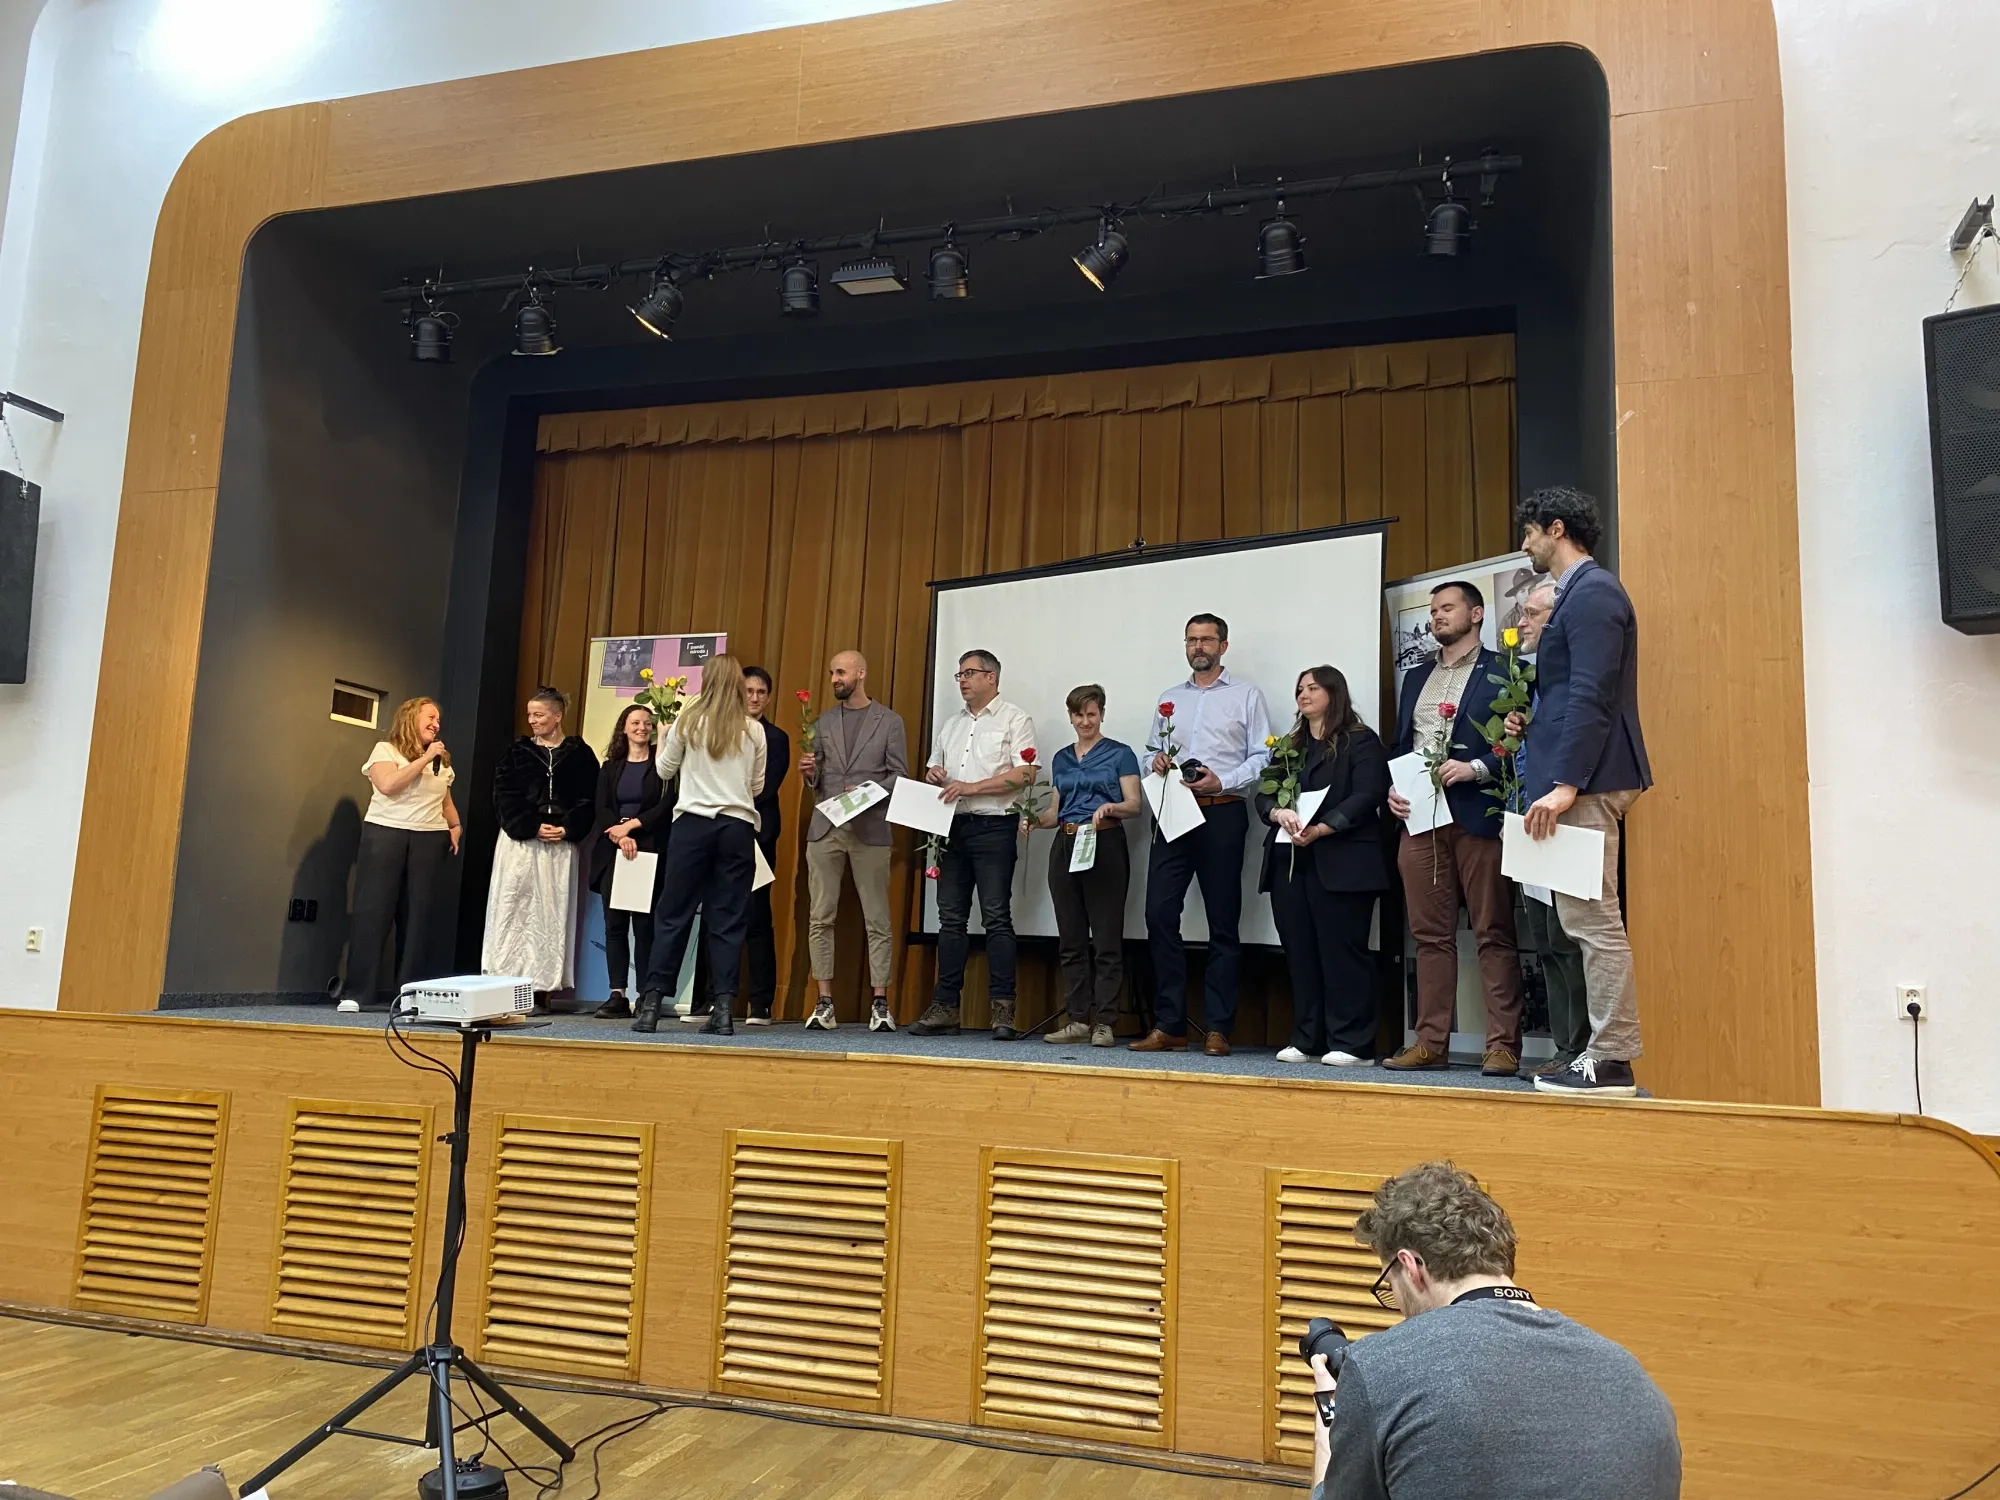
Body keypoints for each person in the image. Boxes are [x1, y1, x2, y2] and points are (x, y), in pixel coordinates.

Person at [1308, 1161, 1680, 1500]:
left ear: (1411, 1266)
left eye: (1390, 1286)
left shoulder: (1381, 1367)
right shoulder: (1633, 1379)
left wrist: (1332, 1418)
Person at [1515, 486, 1653, 1098]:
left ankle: (1611, 1058)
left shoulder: (1593, 592)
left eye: (1529, 533)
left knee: (1594, 923)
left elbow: (1591, 694)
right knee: (1582, 920)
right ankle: (1602, 1055)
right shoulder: (1580, 593)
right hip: (1581, 779)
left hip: (1588, 782)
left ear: (1556, 528)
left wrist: (1566, 783)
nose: (1525, 546)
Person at [1383, 582, 1525, 1077]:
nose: (1436, 617)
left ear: (1477, 613)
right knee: (1429, 936)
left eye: (1447, 608)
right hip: (1420, 819)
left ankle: (1503, 1046)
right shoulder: (1415, 676)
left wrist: (1478, 768)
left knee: (1493, 931)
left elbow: (1522, 742)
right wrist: (1392, 789)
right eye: (1433, 610)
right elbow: (1402, 745)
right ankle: (1430, 1042)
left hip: (1478, 815)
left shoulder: (1506, 670)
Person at [1133, 613, 1271, 1058]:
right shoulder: (1169, 698)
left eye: (1207, 640)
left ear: (1223, 646)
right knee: (1158, 914)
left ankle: (1218, 1028)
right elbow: (1150, 752)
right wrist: (1154, 761)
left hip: (1222, 811)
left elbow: (1262, 757)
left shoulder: (1246, 695)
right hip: (1173, 811)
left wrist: (1223, 781)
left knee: (1222, 921)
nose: (1198, 647)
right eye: (1192, 640)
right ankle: (1169, 1025)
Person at [1256, 667, 1390, 1067]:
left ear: (1335, 692)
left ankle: (1353, 1044)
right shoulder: (1290, 745)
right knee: (1300, 951)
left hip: (1344, 861)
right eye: (1299, 688)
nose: (1303, 694)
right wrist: (1277, 812)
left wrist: (1322, 828)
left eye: (1313, 687)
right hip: (1291, 861)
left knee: (1342, 952)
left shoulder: (1360, 740)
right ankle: (1307, 1038)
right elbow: (1264, 794)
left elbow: (1368, 794)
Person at [633, 656, 767, 1036]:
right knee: (727, 918)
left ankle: (651, 1005)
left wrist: (663, 737)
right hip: (737, 827)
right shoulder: (753, 730)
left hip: (692, 826)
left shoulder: (688, 721)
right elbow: (756, 786)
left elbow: (664, 771)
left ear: (706, 682)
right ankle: (723, 1010)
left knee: (673, 914)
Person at [908, 649, 1035, 1040]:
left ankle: (1003, 1010)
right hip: (951, 827)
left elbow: (1026, 774)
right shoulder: (951, 725)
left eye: (969, 673)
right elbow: (934, 769)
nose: (962, 680)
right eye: (959, 675)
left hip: (995, 826)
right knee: (950, 920)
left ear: (991, 677)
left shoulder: (1015, 718)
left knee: (996, 917)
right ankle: (945, 1007)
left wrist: (972, 787)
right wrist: (934, 774)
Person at [799, 650, 908, 1033]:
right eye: (832, 672)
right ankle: (824, 1002)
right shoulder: (822, 722)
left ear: (861, 673)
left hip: (870, 829)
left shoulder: (889, 721)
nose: (834, 678)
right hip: (826, 828)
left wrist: (867, 790)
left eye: (841, 672)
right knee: (820, 916)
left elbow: (899, 776)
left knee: (877, 919)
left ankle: (880, 1003)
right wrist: (809, 773)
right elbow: (816, 781)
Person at [337, 696, 462, 1012]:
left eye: (438, 719)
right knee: (373, 912)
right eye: (430, 717)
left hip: (429, 838)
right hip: (385, 833)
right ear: (411, 717)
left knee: (418, 917)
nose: (436, 724)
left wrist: (455, 825)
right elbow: (389, 785)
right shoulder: (386, 750)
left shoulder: (442, 760)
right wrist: (424, 758)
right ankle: (358, 992)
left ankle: (410, 996)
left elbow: (444, 799)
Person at [1511, 578, 1590, 1078]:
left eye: (1533, 614)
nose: (1522, 623)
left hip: (1563, 822)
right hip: (1529, 822)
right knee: (1543, 940)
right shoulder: (1533, 684)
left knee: (1567, 940)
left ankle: (1579, 1050)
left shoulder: (1571, 684)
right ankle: (1564, 1048)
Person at [1035, 685, 1142, 1047]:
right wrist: (1033, 820)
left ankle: (1105, 1022)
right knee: (1071, 938)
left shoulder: (1120, 753)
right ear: (1070, 717)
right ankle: (1078, 1019)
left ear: (1102, 715)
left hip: (1104, 842)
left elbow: (1134, 804)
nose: (1085, 721)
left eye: (1092, 714)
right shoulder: (1062, 758)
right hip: (1066, 844)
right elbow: (1055, 811)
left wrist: (1111, 807)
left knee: (1106, 938)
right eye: (1079, 715)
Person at [483, 686, 599, 1004]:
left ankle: (543, 986)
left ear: (557, 716)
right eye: (530, 715)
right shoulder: (516, 753)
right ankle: (507, 982)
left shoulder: (580, 755)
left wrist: (567, 828)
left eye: (539, 714)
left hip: (559, 846)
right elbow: (504, 796)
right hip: (521, 844)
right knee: (514, 910)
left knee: (550, 913)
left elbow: (588, 798)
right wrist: (532, 826)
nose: (532, 720)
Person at [689, 665, 788, 1025]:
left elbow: (765, 787)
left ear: (769, 697)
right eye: (749, 691)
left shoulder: (775, 737)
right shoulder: (719, 730)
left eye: (761, 692)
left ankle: (760, 1002)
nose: (755, 698)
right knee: (714, 914)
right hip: (719, 832)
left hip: (756, 834)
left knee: (756, 916)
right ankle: (708, 998)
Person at [587, 704, 672, 1019]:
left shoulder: (662, 767)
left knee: (645, 927)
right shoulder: (610, 768)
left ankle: (646, 995)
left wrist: (632, 827)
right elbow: (601, 808)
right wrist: (619, 835)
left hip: (648, 849)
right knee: (615, 925)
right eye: (635, 722)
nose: (641, 728)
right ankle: (617, 994)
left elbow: (665, 805)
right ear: (624, 727)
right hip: (614, 851)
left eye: (647, 723)